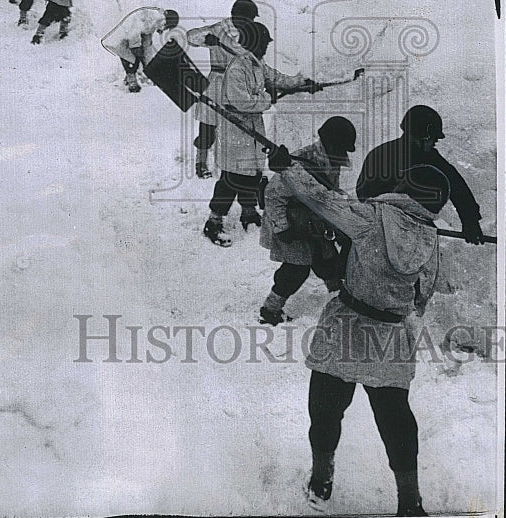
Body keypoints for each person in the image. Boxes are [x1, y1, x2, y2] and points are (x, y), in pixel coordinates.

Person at [276, 159, 448, 516]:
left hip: (347, 329)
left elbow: (321, 199)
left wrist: (288, 168)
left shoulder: (372, 217)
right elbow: (421, 299)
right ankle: (410, 501)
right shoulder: (431, 240)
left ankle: (322, 480)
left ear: (407, 190)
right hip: (390, 339)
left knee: (324, 410)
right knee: (395, 419)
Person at [258, 117, 357, 325]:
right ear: (330, 144)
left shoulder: (330, 159)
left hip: (312, 222)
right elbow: (272, 194)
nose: (344, 155)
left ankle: (338, 299)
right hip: (290, 221)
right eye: (342, 148)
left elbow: (325, 194)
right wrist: (282, 227)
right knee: (296, 269)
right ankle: (270, 309)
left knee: (327, 258)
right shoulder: (303, 162)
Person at [356, 104, 484, 244]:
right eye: (433, 138)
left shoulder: (430, 157)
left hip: (415, 232)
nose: (435, 142)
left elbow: (455, 184)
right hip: (381, 233)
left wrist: (470, 220)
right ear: (420, 137)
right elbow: (364, 195)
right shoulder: (381, 156)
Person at [203, 21, 275, 246]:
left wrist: (302, 82)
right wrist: (266, 99)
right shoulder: (237, 67)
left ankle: (249, 212)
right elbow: (241, 101)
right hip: (236, 131)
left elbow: (276, 77)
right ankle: (213, 222)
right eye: (263, 44)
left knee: (251, 174)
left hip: (250, 131)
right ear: (255, 44)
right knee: (232, 179)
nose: (266, 48)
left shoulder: (256, 63)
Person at [187, 0, 259, 176]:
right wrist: (207, 38)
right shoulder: (219, 29)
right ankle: (201, 162)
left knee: (240, 128)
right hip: (217, 83)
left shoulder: (252, 33)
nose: (251, 22)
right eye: (249, 18)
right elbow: (191, 37)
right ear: (237, 16)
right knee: (208, 127)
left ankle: (235, 167)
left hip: (240, 83)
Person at [101, 7, 181, 92]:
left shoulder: (154, 22)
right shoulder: (152, 16)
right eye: (166, 27)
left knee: (135, 57)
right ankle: (132, 82)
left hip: (129, 38)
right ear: (165, 22)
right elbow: (134, 29)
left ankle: (129, 79)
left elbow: (147, 44)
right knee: (132, 58)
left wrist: (149, 67)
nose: (164, 30)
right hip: (118, 37)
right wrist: (135, 47)